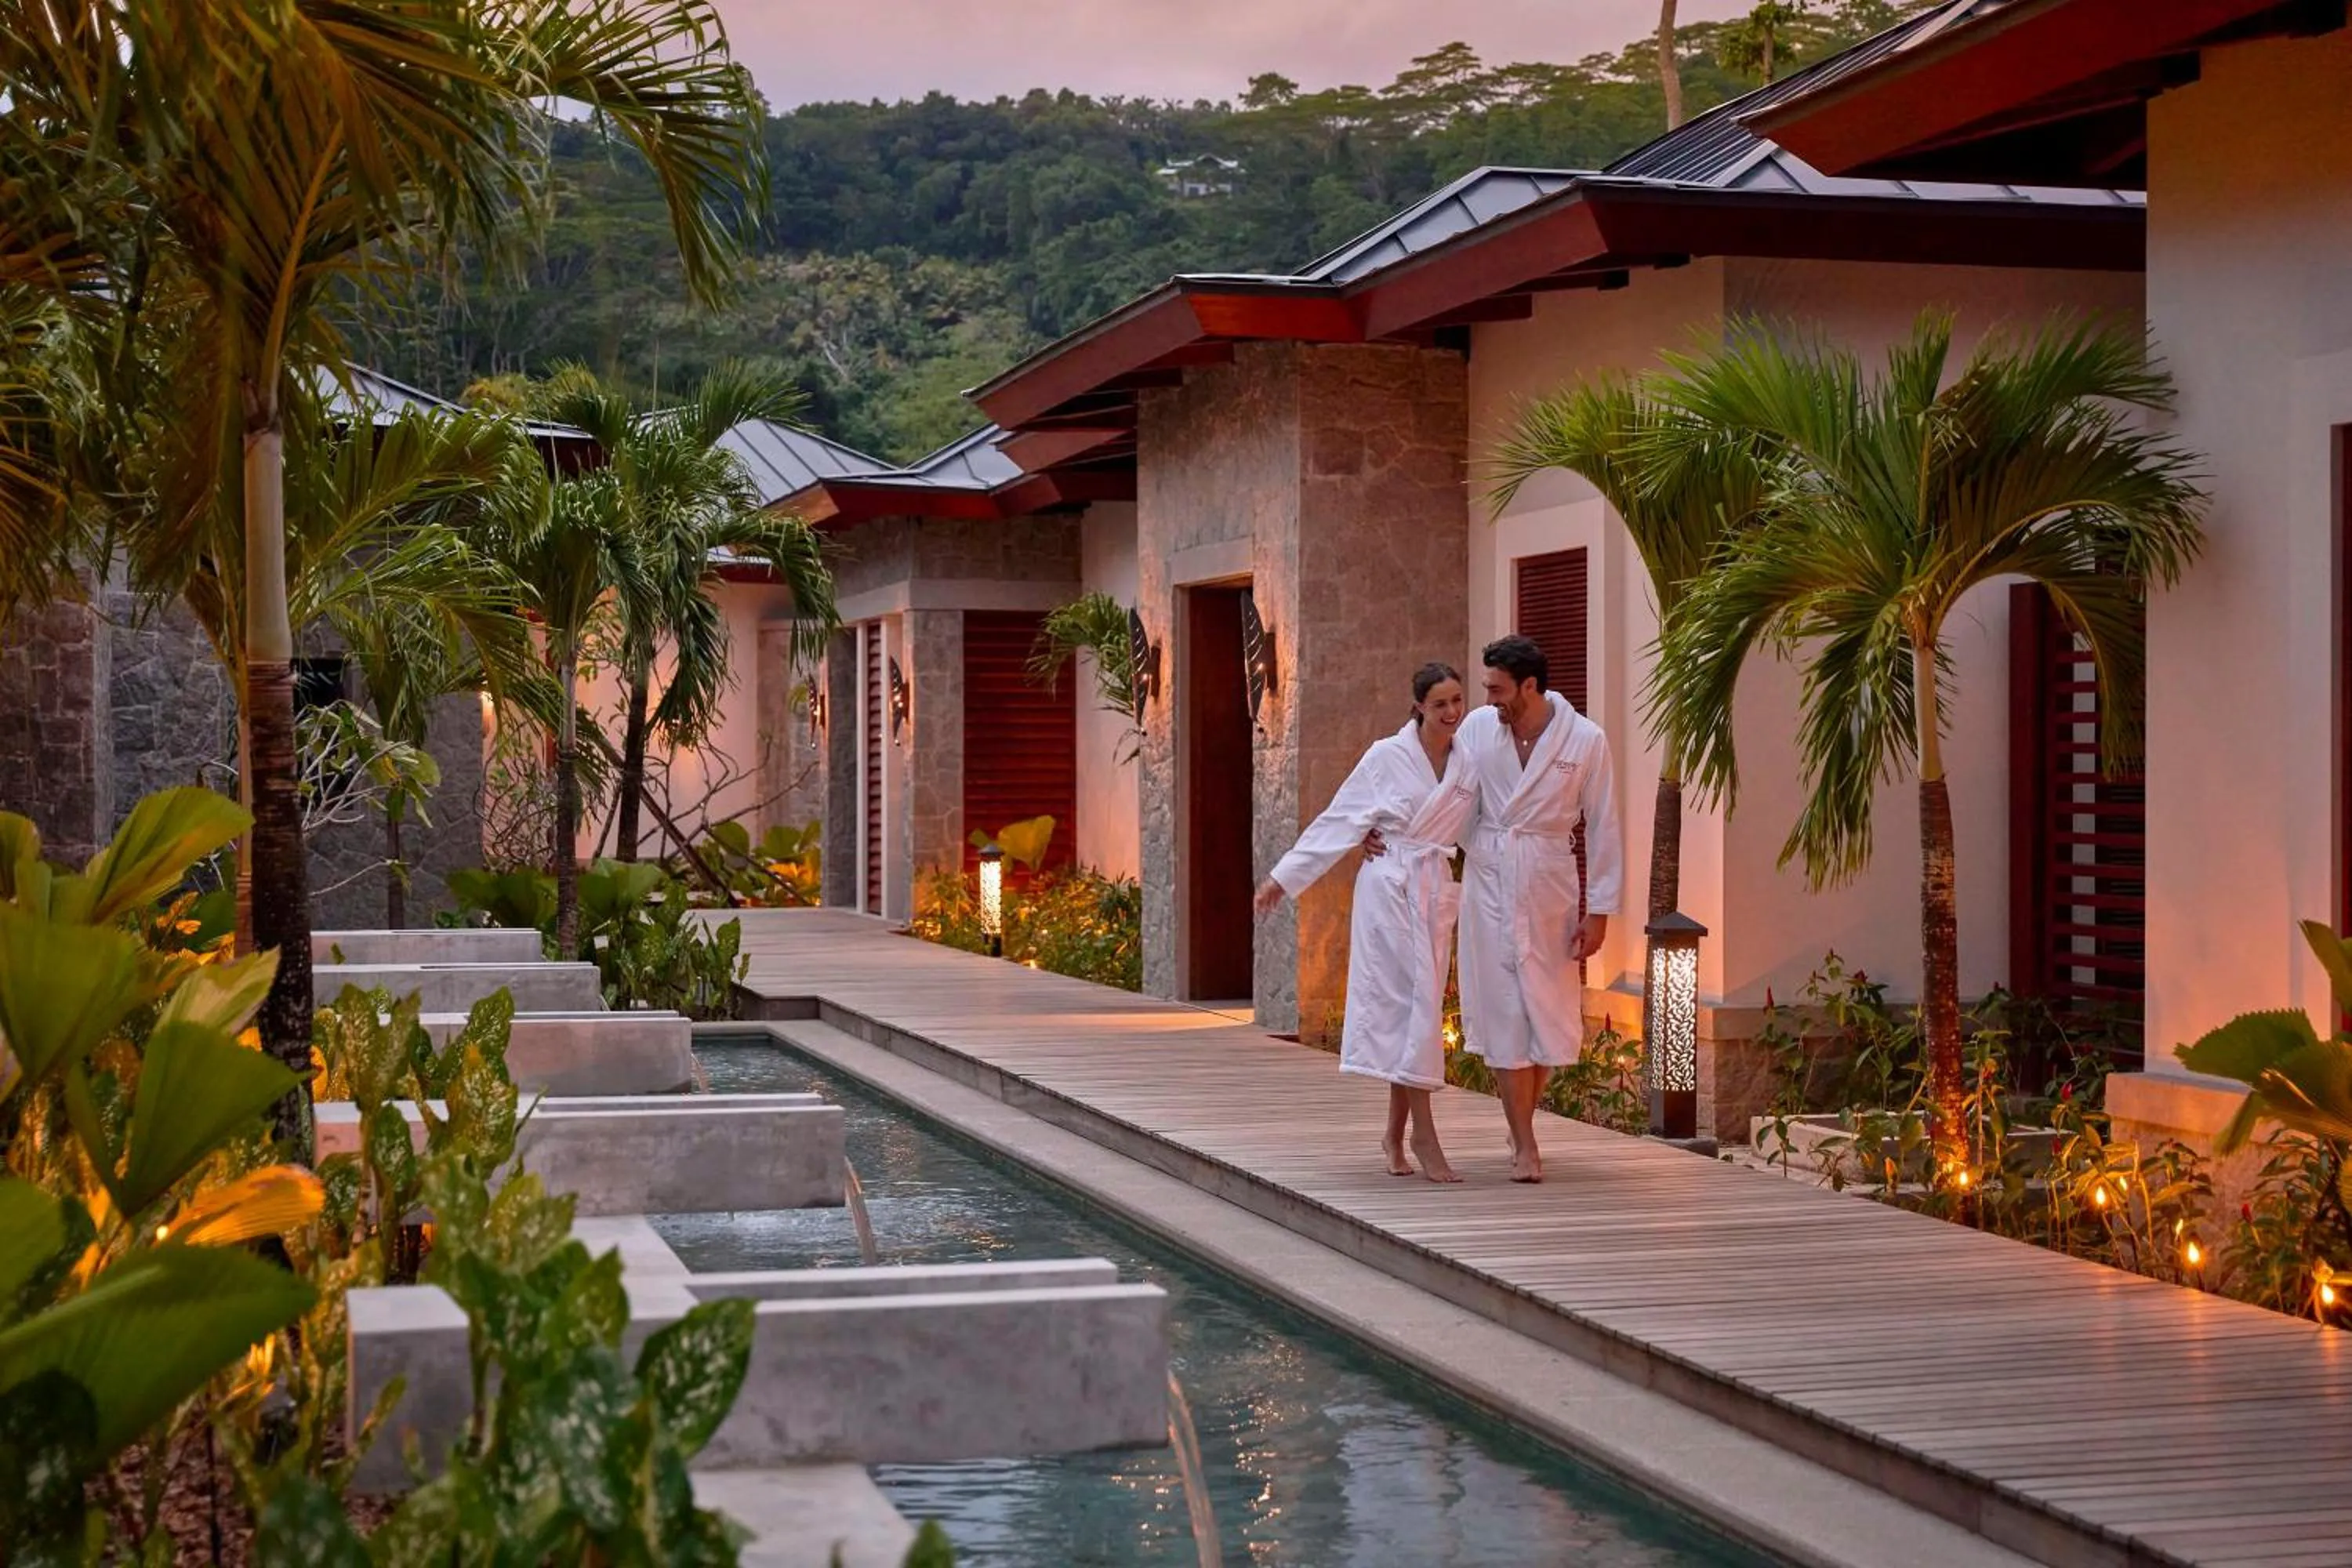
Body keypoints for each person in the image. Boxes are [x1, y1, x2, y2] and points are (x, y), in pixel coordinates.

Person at [1378, 634, 1621, 1183]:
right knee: (1504, 1010)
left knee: (1547, 1016)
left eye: (1495, 688)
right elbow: (1435, 784)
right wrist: (1383, 831)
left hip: (1548, 883)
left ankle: (1520, 1127)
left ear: (1529, 686)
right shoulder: (1478, 733)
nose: (1483, 699)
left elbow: (1605, 824)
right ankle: (1526, 1142)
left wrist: (1601, 909)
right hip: (1489, 878)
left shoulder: (1585, 740)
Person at [1253, 662, 1479, 1183]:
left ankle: (1393, 1135)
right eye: (1441, 703)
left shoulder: (1468, 762)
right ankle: (1424, 1135)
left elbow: (1481, 825)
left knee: (1419, 1012)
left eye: (1457, 701)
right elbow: (1339, 818)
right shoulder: (1386, 757)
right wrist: (1282, 880)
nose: (1452, 712)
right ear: (1418, 705)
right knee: (1412, 1010)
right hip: (1390, 888)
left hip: (1432, 884)